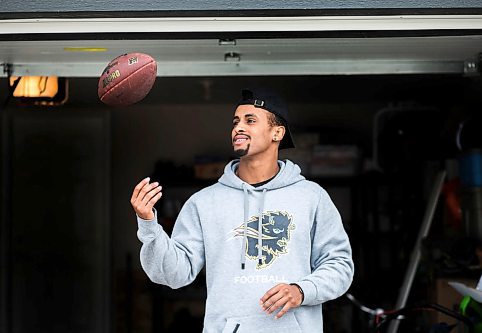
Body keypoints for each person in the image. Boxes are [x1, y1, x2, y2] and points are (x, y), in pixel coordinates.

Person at [130, 88, 354, 333]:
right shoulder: (204, 202)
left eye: (250, 120)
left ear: (277, 132)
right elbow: (174, 275)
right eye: (236, 121)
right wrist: (149, 224)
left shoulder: (311, 197)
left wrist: (301, 291)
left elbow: (340, 266)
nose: (238, 128)